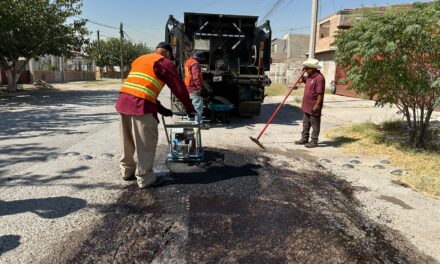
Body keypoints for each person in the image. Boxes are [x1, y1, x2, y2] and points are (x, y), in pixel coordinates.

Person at [115, 42, 196, 189]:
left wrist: (162, 110)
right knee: (145, 143)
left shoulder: (140, 59)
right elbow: (179, 88)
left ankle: (127, 171)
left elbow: (142, 88)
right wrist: (190, 108)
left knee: (127, 140)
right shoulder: (164, 62)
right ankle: (146, 179)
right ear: (168, 54)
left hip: (123, 102)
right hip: (141, 107)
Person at [294, 58, 326, 148]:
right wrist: (302, 72)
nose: (306, 70)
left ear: (312, 68)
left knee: (314, 124)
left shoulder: (319, 78)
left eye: (307, 68)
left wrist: (318, 105)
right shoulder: (309, 76)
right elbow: (300, 80)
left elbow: (320, 94)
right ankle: (304, 139)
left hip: (314, 106)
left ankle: (314, 141)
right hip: (306, 105)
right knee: (305, 123)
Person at [184, 51, 204, 125]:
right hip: (194, 87)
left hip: (188, 85)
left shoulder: (188, 61)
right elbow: (196, 77)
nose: (201, 60)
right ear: (199, 58)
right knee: (197, 105)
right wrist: (199, 87)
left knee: (191, 103)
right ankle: (198, 122)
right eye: (201, 59)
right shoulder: (195, 64)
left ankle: (190, 117)